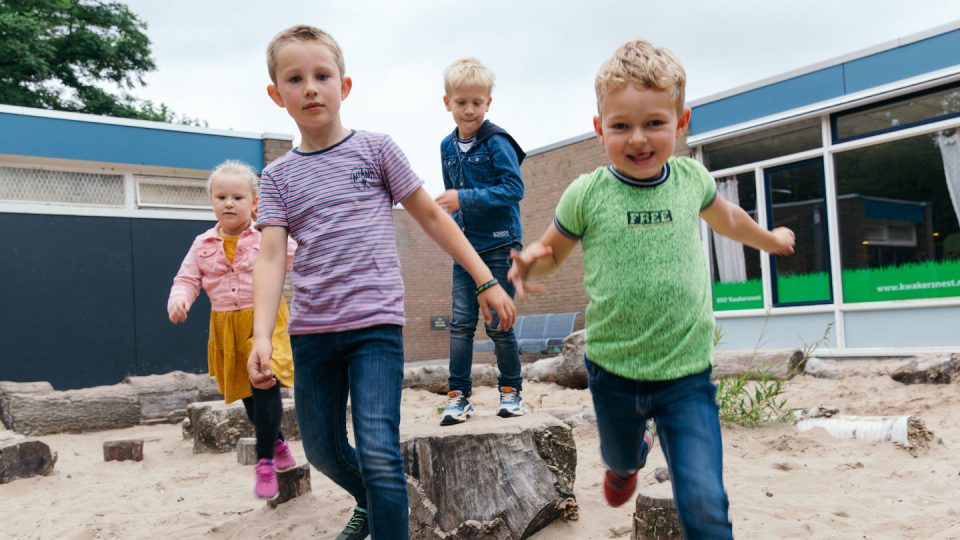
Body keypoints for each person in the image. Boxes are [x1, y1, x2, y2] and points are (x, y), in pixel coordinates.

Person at [508, 40, 796, 539]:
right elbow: (553, 253)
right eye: (621, 126)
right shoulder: (588, 193)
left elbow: (729, 219)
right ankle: (628, 461)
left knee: (705, 502)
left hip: (686, 373)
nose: (638, 139)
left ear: (681, 123)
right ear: (600, 129)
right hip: (613, 369)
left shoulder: (689, 180)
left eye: (654, 124)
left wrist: (768, 240)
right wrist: (532, 263)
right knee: (619, 455)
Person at [247, 25, 516, 540]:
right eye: (295, 78)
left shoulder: (376, 150)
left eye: (322, 76)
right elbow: (271, 257)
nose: (310, 88)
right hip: (312, 332)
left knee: (378, 447)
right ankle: (375, 497)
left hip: (375, 327)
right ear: (276, 94)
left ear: (344, 86)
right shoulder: (278, 176)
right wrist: (263, 335)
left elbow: (433, 218)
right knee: (323, 450)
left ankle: (386, 495)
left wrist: (485, 279)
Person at [167, 160, 298, 500]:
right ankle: (279, 442)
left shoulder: (270, 237)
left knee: (265, 384)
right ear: (211, 200)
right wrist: (179, 300)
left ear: (254, 202)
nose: (229, 203)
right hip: (226, 325)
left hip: (265, 319)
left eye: (238, 197)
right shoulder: (202, 244)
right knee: (248, 396)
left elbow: (305, 258)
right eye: (221, 196)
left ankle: (264, 461)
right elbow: (187, 278)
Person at [436, 57, 526, 426]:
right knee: (459, 323)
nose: (469, 109)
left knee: (497, 322)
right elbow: (451, 195)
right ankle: (459, 396)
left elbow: (514, 188)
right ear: (448, 103)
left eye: (477, 102)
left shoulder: (497, 142)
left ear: (488, 102)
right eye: (461, 103)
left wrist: (465, 198)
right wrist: (450, 216)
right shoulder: (446, 146)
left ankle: (511, 390)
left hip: (501, 244)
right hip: (465, 248)